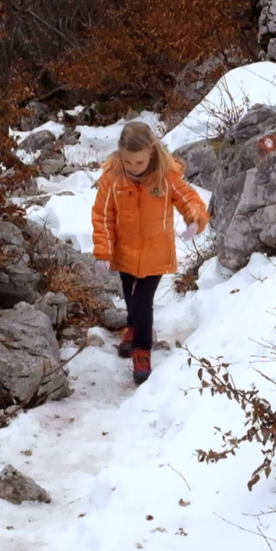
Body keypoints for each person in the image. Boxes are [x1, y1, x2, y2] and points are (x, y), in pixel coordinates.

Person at [91, 121, 209, 385]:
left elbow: (188, 198)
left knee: (143, 300)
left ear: (152, 154)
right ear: (120, 154)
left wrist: (194, 218)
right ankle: (133, 327)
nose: (134, 168)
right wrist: (104, 251)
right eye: (129, 162)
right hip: (124, 251)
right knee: (131, 297)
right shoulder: (113, 177)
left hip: (156, 252)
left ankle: (142, 349)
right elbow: (103, 215)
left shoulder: (165, 176)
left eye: (139, 162)